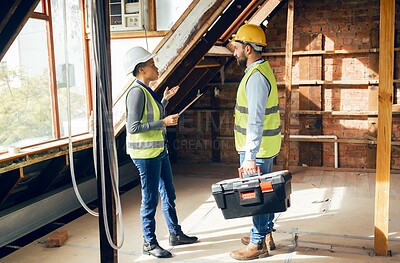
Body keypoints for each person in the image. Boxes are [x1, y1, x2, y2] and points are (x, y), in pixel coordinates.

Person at [123, 46, 198, 258]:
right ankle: (149, 242)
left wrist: (164, 101)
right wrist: (163, 122)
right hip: (146, 157)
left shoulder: (147, 90)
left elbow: (150, 118)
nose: (156, 67)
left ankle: (175, 233)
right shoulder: (136, 92)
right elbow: (133, 127)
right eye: (152, 65)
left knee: (168, 192)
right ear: (141, 70)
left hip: (158, 152)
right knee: (149, 199)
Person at [229, 24, 282, 260]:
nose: (234, 52)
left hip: (257, 151)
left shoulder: (256, 78)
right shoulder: (258, 71)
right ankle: (264, 232)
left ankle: (257, 242)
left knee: (256, 195)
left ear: (248, 48)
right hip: (262, 147)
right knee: (263, 192)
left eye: (237, 47)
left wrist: (250, 156)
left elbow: (255, 121)